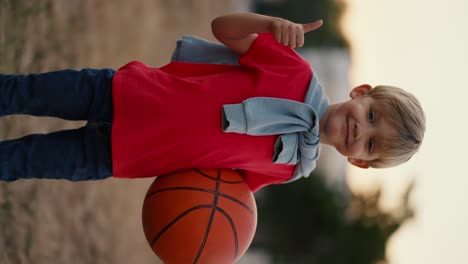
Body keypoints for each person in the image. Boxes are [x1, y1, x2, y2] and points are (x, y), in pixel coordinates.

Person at [0, 13, 425, 192]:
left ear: (359, 163)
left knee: (21, 162)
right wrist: (269, 25)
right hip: (126, 92)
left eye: (370, 143)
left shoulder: (292, 168)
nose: (360, 130)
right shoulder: (297, 72)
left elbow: (221, 189)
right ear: (361, 92)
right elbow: (224, 30)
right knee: (23, 91)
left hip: (123, 156)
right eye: (371, 117)